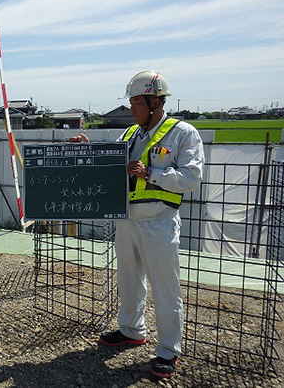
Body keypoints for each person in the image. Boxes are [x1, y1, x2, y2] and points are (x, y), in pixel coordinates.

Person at [71, 70, 204, 378]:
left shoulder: (182, 133)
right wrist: (88, 146)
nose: (132, 109)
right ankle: (132, 330)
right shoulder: (131, 134)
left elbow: (191, 177)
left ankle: (168, 350)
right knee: (129, 281)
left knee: (165, 288)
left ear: (155, 101)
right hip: (127, 220)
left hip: (158, 221)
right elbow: (112, 163)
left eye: (136, 103)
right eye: (130, 102)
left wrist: (151, 175)